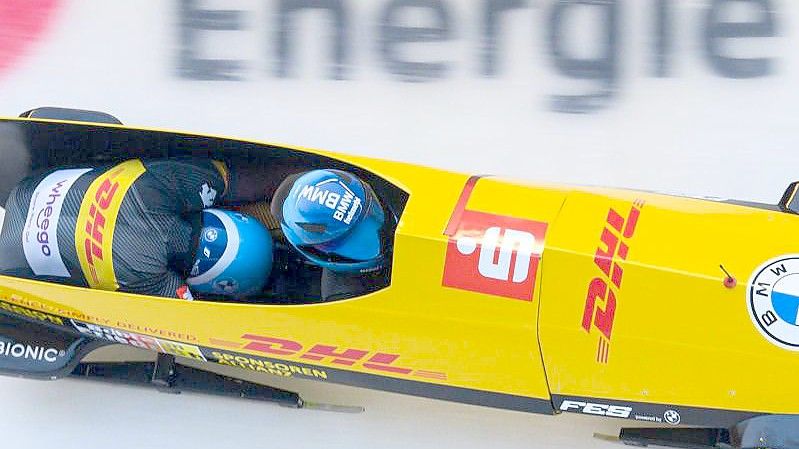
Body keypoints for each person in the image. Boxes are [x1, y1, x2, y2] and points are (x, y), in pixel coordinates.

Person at [0, 158, 273, 299]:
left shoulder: (163, 186)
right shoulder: (149, 276)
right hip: (10, 261)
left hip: (29, 189)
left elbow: (236, 180)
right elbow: (195, 317)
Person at [271, 169, 391, 300]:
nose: (375, 235)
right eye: (341, 242)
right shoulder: (345, 297)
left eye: (368, 210)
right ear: (317, 252)